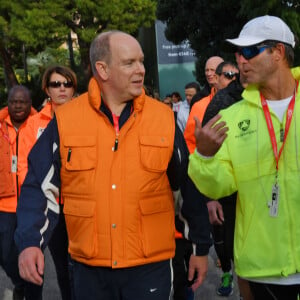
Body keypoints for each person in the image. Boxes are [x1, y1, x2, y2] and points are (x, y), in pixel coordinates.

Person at [15, 30, 210, 300]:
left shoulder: (163, 118)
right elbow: (38, 186)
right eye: (129, 63)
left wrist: (200, 247)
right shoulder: (66, 121)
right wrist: (29, 243)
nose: (141, 69)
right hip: (89, 269)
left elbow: (186, 187)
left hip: (150, 267)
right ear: (102, 69)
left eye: (141, 61)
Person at [188, 15, 300, 299]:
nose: (240, 60)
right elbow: (217, 187)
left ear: (278, 53)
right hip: (262, 268)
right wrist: (204, 156)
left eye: (250, 51)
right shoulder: (230, 118)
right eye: (238, 53)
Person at [21, 65, 77, 300]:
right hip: (51, 208)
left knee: (83, 267)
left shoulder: (86, 119)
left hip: (81, 206)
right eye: (56, 84)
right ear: (47, 89)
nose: (62, 88)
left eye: (67, 84)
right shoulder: (34, 124)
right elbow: (27, 168)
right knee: (63, 267)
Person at [200, 61, 239, 298]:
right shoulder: (208, 104)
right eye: (228, 74)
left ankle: (244, 280)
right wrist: (208, 194)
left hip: (244, 185)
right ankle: (226, 272)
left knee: (238, 236)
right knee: (221, 236)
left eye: (235, 74)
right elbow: (200, 150)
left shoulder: (251, 99)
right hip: (218, 183)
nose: (233, 78)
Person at [0, 85, 40, 300]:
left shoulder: (40, 125)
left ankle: (33, 294)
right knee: (5, 254)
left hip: (32, 204)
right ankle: (19, 283)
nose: (17, 105)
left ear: (29, 103)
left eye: (22, 102)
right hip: (4, 203)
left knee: (33, 255)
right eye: (13, 101)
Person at [184, 56, 224, 153]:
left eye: (212, 70)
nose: (209, 73)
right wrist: (199, 159)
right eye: (207, 70)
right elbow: (189, 140)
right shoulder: (198, 103)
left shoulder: (238, 98)